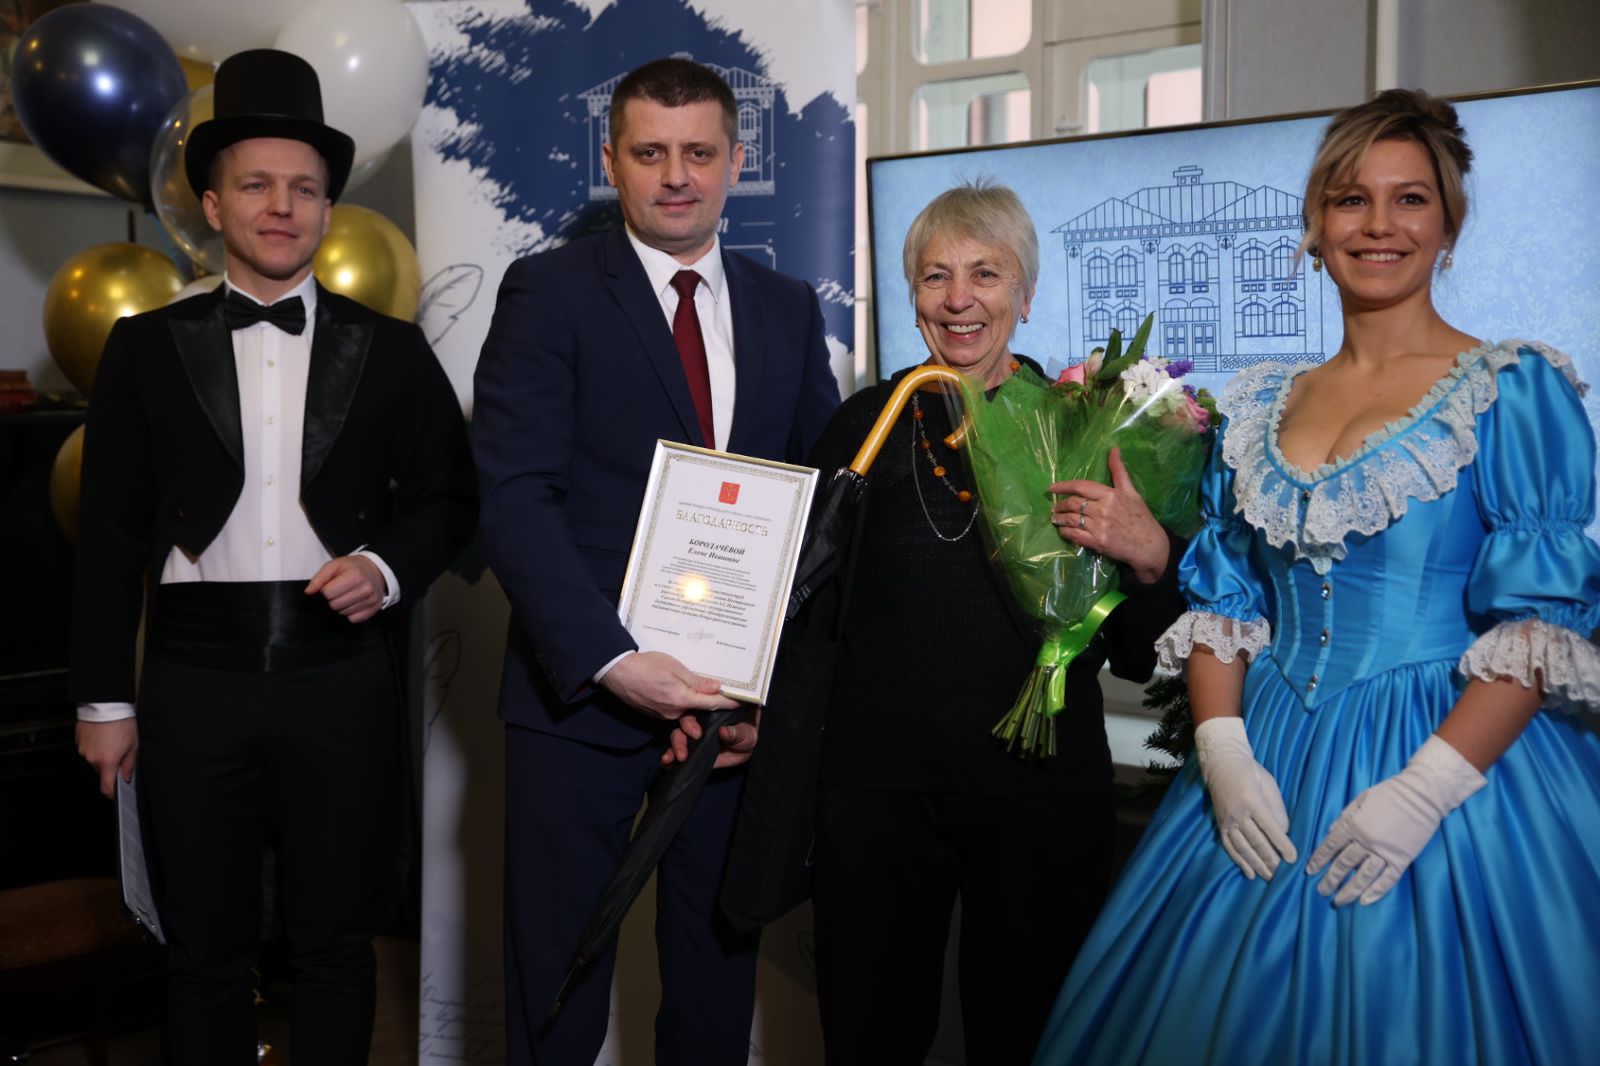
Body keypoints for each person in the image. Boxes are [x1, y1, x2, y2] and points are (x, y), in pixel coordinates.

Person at [1033, 89, 1600, 1066]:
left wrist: (1425, 790)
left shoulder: (1512, 390)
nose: (1378, 225)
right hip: (1270, 752)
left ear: (1449, 223)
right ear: (1314, 225)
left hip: (1454, 758)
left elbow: (1539, 632)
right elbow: (1225, 603)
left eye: (1410, 199)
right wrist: (1221, 750)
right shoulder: (1260, 405)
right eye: (1350, 199)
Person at [68, 49, 476, 1066]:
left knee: (337, 941)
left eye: (304, 188)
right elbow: (108, 534)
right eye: (256, 185)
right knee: (202, 949)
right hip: (190, 681)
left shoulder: (390, 349)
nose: (281, 207)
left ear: (329, 209)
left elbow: (453, 499)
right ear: (213, 205)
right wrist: (104, 701)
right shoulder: (143, 349)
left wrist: (385, 566)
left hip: (339, 675)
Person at [473, 56, 840, 1065]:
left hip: (727, 718)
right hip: (579, 704)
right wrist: (613, 659)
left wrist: (766, 690)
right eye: (649, 153)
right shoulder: (547, 291)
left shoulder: (785, 306)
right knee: (557, 990)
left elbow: (815, 512)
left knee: (714, 988)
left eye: (698, 153)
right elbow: (514, 495)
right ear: (612, 163)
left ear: (734, 161)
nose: (676, 176)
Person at [800, 182, 1186, 1066]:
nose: (958, 299)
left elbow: (1143, 651)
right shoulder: (862, 425)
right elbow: (805, 607)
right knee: (869, 1038)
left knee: (1030, 1037)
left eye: (986, 273)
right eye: (935, 276)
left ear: (1027, 292)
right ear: (912, 296)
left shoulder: (1087, 428)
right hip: (878, 799)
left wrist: (1151, 554)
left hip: (1042, 797)